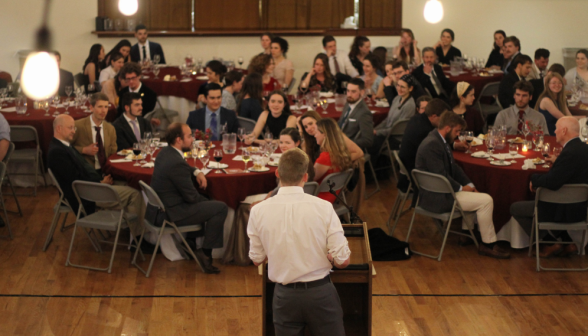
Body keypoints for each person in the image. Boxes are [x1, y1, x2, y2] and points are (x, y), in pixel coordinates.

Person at [247, 148, 350, 335]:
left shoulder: (258, 211)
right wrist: (331, 257)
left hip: (285, 297)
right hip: (321, 294)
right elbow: (342, 261)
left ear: (277, 173)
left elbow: (256, 260)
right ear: (306, 176)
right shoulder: (324, 208)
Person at [415, 111, 510, 259]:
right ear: (447, 128)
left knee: (475, 193)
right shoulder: (432, 145)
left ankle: (466, 234)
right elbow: (441, 176)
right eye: (457, 131)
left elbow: (454, 169)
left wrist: (470, 184)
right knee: (486, 201)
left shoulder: (439, 140)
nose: (458, 135)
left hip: (441, 191)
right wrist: (461, 188)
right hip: (437, 197)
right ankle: (488, 244)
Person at [147, 122, 228, 274]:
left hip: (157, 210)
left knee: (208, 202)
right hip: (170, 214)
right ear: (179, 140)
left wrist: (197, 171)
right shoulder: (176, 162)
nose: (193, 140)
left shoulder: (165, 152)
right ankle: (205, 254)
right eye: (190, 136)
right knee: (220, 207)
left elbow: (184, 167)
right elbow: (192, 198)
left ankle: (191, 243)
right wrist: (210, 203)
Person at [48, 114, 145, 238]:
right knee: (135, 193)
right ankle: (138, 238)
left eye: (74, 128)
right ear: (59, 129)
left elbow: (81, 173)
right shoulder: (57, 152)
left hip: (93, 186)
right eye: (70, 128)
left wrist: (100, 180)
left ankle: (130, 229)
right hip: (88, 195)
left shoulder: (63, 145)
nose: (73, 131)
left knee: (129, 183)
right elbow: (76, 181)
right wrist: (100, 184)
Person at [511, 117, 588, 257]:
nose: (554, 131)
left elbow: (552, 182)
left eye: (557, 128)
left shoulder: (569, 153)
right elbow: (572, 171)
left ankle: (549, 243)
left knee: (516, 208)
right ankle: (568, 242)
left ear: (564, 131)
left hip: (563, 209)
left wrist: (533, 179)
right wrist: (557, 161)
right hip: (581, 207)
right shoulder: (583, 149)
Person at [397, 99, 446, 194]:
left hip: (407, 170)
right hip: (417, 177)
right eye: (443, 118)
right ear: (434, 116)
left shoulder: (416, 118)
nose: (444, 122)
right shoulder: (426, 131)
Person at [369, 74, 416, 162]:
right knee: (368, 138)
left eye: (403, 87)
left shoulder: (409, 105)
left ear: (410, 88)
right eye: (398, 85)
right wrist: (375, 129)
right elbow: (387, 120)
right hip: (388, 134)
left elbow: (396, 128)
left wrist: (377, 132)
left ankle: (371, 170)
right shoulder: (397, 99)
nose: (399, 89)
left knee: (371, 142)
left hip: (396, 139)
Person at [72, 93, 117, 172]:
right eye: (100, 107)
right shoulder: (78, 125)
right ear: (91, 108)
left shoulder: (110, 129)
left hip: (106, 170)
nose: (103, 111)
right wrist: (84, 150)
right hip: (85, 172)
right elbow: (64, 148)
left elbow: (113, 153)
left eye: (106, 107)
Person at [298, 110, 363, 165]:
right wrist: (300, 130)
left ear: (318, 121)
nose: (309, 128)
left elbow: (359, 152)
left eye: (311, 123)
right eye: (305, 127)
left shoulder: (334, 135)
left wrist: (335, 163)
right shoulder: (309, 140)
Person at [314, 118, 353, 203]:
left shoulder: (326, 157)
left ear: (324, 134)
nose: (315, 135)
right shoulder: (340, 153)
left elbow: (310, 178)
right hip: (333, 196)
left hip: (319, 198)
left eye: (316, 132)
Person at [338, 78, 374, 149]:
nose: (349, 95)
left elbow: (368, 140)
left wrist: (346, 143)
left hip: (347, 147)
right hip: (338, 139)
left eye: (353, 92)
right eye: (348, 91)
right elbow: (340, 123)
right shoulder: (349, 102)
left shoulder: (364, 113)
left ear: (362, 92)